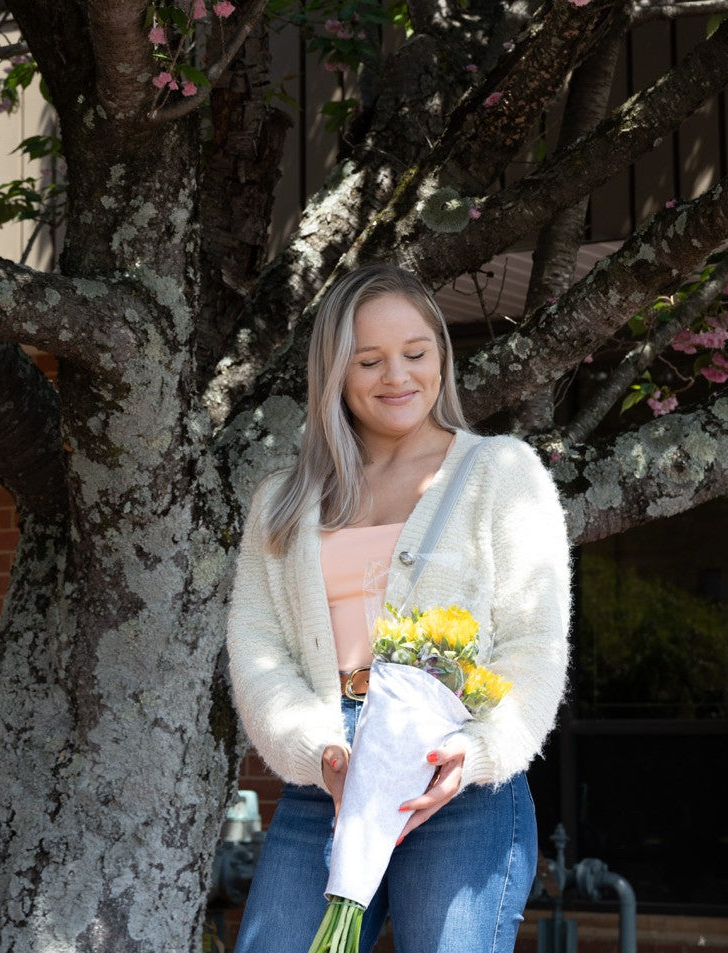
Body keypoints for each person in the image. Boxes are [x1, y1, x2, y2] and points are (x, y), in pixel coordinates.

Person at [226, 263, 572, 953]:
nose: (398, 376)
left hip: (460, 792)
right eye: (370, 360)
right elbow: (260, 652)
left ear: (441, 354)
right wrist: (317, 749)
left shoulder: (502, 474)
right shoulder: (284, 502)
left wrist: (473, 753)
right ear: (335, 373)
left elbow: (533, 648)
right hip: (326, 782)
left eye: (416, 353)